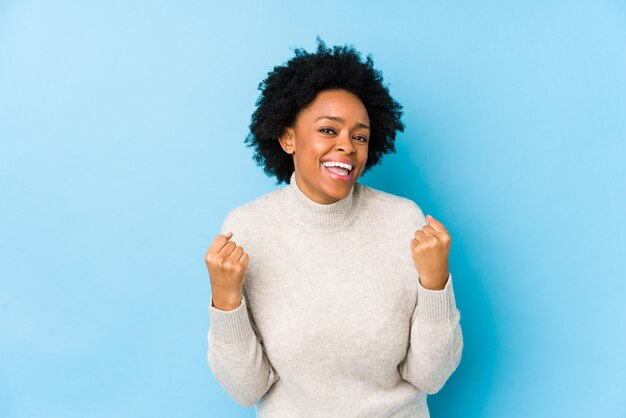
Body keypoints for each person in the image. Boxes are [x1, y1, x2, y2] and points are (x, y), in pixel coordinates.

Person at [204, 37, 463, 417]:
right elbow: (246, 390)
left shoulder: (403, 222)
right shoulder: (247, 229)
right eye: (329, 130)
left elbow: (431, 377)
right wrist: (225, 300)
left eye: (359, 136)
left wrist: (435, 283)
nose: (347, 146)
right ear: (288, 137)